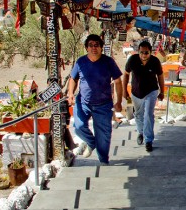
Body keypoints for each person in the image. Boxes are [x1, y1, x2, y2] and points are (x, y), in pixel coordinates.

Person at [67, 34, 123, 165]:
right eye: (91, 45)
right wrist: (70, 93)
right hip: (83, 102)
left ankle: (103, 160)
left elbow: (118, 81)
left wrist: (119, 101)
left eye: (97, 45)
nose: (94, 48)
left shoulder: (108, 62)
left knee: (104, 135)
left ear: (101, 47)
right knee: (79, 126)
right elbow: (73, 79)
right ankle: (91, 142)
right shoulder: (81, 62)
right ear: (86, 48)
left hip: (103, 104)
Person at [122, 40, 165, 151]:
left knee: (148, 115)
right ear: (138, 52)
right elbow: (126, 74)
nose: (143, 55)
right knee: (138, 115)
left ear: (150, 52)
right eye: (141, 52)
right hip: (136, 93)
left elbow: (160, 76)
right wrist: (124, 90)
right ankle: (141, 132)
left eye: (146, 52)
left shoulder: (155, 61)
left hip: (151, 91)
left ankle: (148, 140)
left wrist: (162, 91)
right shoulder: (132, 60)